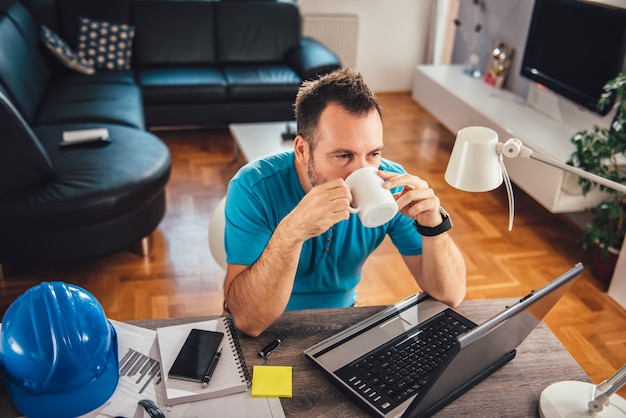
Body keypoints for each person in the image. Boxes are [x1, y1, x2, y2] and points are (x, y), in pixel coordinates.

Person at [223, 68, 466, 337]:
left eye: (373, 153)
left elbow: (450, 296)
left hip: (343, 319)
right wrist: (292, 232)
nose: (362, 172)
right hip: (268, 325)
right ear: (302, 150)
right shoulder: (253, 187)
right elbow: (249, 321)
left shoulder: (392, 186)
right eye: (342, 156)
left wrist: (434, 226)